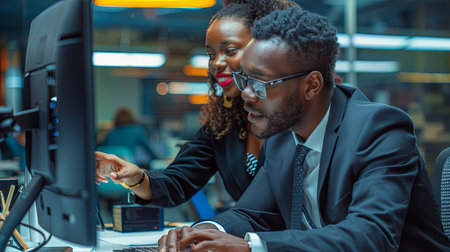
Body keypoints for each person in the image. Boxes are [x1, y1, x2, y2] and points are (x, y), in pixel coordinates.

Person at [158, 7, 450, 252]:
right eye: (244, 79)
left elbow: (371, 235)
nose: (246, 94)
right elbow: (250, 214)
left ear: (311, 85)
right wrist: (204, 233)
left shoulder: (379, 130)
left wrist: (251, 247)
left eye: (259, 82)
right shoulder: (282, 138)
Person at [95, 0, 299, 208]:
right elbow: (177, 183)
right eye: (211, 55)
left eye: (229, 50)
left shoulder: (299, 119)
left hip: (291, 239)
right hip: (247, 235)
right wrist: (136, 177)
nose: (216, 64)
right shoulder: (223, 125)